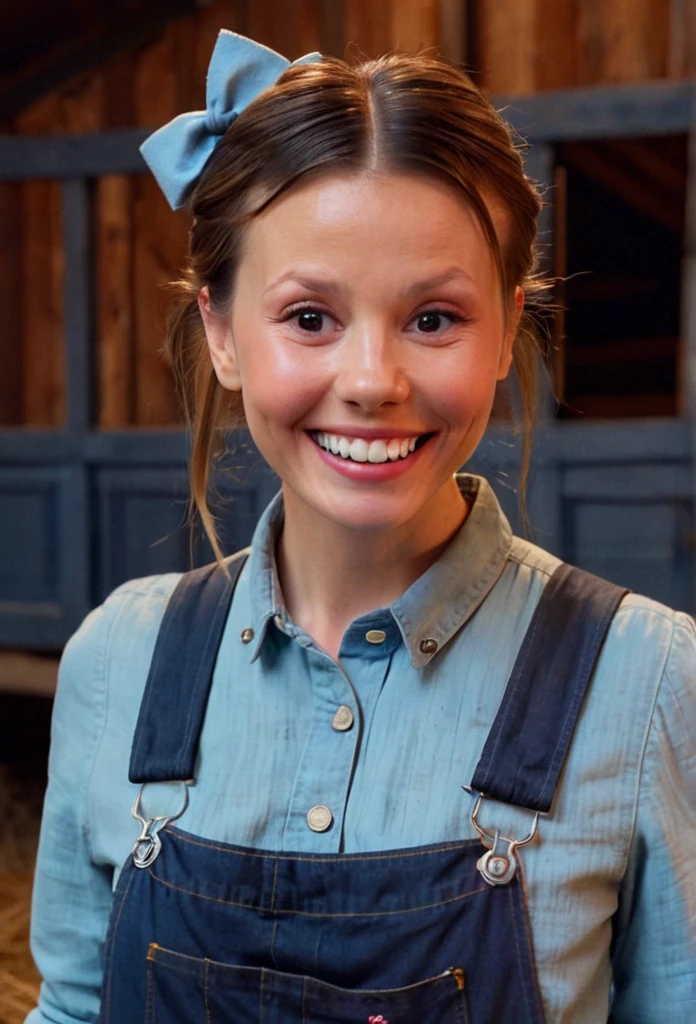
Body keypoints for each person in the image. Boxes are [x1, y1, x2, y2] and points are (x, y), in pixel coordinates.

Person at [26, 29, 695, 1024]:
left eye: (434, 318)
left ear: (508, 328)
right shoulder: (114, 660)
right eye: (309, 317)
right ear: (220, 333)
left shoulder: (645, 681)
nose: (374, 381)